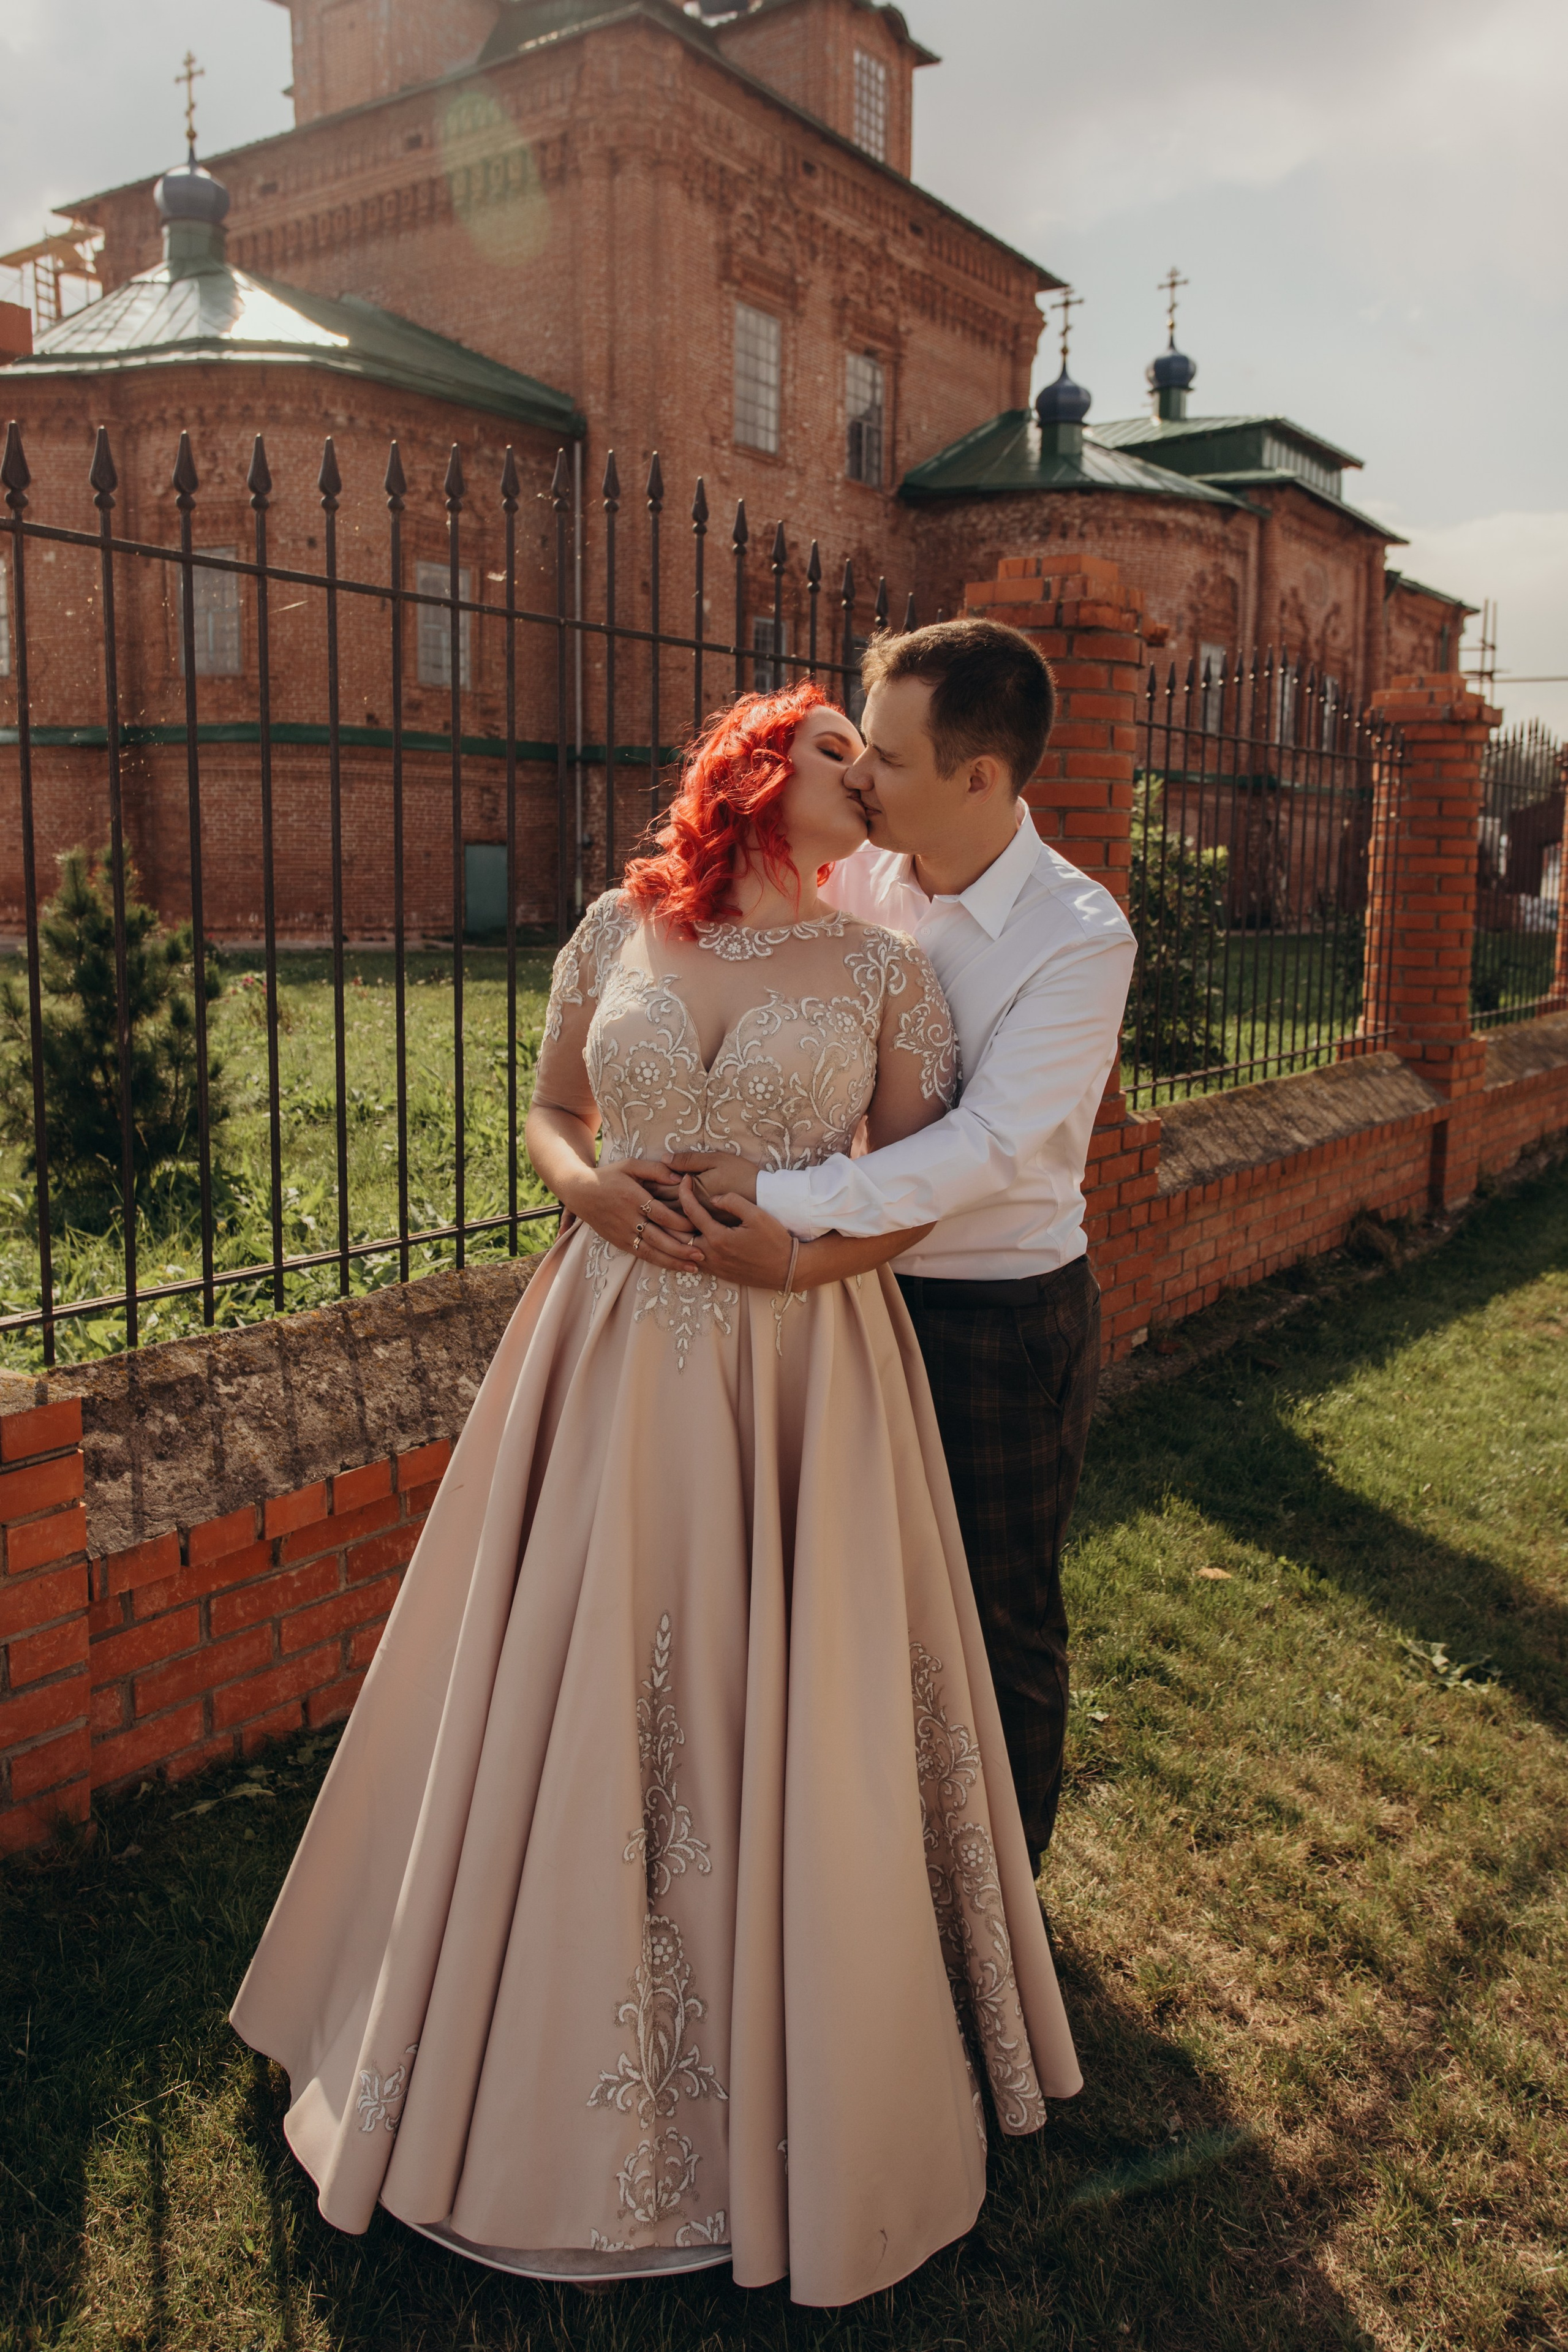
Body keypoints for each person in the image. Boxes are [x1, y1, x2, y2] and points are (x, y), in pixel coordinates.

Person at [230, 681, 1081, 2309]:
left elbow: (917, 1192)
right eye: (840, 751)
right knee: (562, 1673)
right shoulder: (615, 927)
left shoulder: (885, 971)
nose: (868, 778)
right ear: (754, 773)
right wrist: (593, 1197)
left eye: (881, 759)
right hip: (606, 1347)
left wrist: (798, 1247)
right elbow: (553, 1113)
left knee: (777, 1700)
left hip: (798, 1371)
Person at [674, 620, 1137, 1868]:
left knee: (994, 1624)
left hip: (987, 1321)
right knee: (840, 1611)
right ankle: (861, 1894)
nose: (858, 776)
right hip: (829, 1308)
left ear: (978, 778)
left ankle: (999, 1934)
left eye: (884, 754)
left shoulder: (1076, 939)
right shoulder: (859, 873)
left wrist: (778, 1198)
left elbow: (984, 1148)